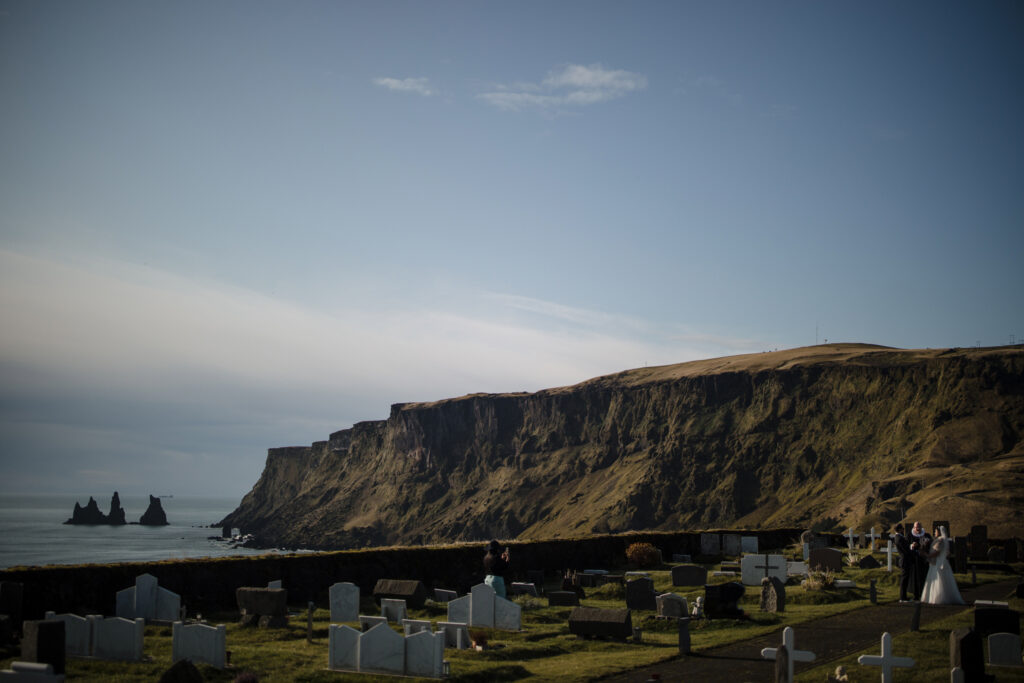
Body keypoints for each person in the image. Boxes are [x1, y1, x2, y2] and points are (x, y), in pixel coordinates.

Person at [921, 526, 965, 605]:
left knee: (938, 579)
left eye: (935, 531)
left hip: (938, 562)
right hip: (941, 562)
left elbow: (936, 552)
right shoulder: (942, 540)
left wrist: (927, 555)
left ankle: (937, 597)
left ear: (939, 532)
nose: (934, 532)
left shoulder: (940, 540)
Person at [892, 524, 918, 601]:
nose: (903, 530)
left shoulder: (899, 537)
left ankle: (904, 596)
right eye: (902, 529)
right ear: (900, 530)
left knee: (905, 579)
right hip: (905, 560)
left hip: (905, 560)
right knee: (904, 579)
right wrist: (912, 548)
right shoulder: (899, 538)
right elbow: (905, 550)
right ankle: (903, 597)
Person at [909, 521, 932, 598]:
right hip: (914, 560)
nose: (918, 528)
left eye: (919, 527)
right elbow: (906, 545)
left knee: (924, 576)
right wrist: (911, 546)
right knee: (915, 577)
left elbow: (930, 544)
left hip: (923, 560)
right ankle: (916, 593)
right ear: (914, 528)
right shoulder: (910, 535)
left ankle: (925, 592)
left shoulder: (926, 535)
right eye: (916, 527)